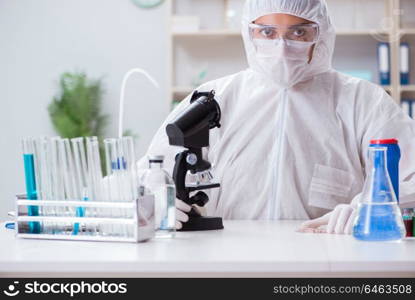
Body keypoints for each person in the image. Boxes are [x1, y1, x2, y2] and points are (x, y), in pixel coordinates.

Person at [137, 0, 415, 233]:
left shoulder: (362, 100)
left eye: (298, 33)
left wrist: (369, 207)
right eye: (268, 32)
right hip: (225, 257)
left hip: (329, 259)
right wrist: (157, 196)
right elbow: (151, 169)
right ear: (250, 33)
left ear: (321, 34)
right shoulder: (214, 97)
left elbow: (410, 175)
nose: (282, 47)